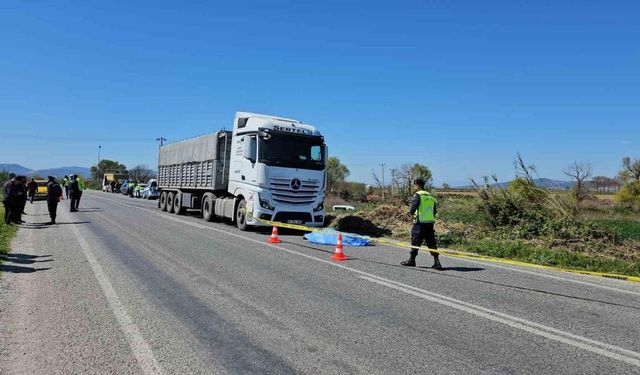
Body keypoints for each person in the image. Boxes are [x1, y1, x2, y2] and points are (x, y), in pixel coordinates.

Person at [401, 178, 442, 270]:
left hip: (420, 222)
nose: (414, 187)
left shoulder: (418, 195)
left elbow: (414, 206)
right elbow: (434, 210)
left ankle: (412, 260)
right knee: (431, 242)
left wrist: (410, 214)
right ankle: (437, 262)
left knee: (415, 240)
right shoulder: (430, 196)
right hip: (430, 222)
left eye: (415, 185)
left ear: (418, 185)